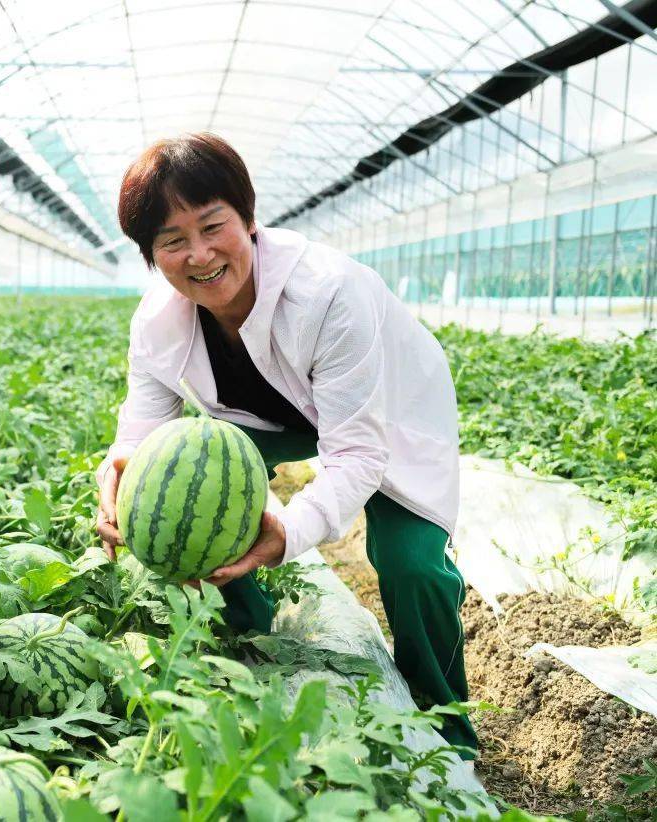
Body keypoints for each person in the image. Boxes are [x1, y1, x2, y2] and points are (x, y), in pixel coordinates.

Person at [94, 132, 477, 756]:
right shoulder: (157, 321)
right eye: (172, 241)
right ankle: (250, 644)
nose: (199, 255)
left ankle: (449, 729)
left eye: (212, 225)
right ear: (151, 255)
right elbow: (140, 432)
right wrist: (119, 478)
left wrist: (290, 531)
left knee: (413, 566)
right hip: (273, 417)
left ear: (249, 220)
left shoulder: (329, 293)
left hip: (385, 414)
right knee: (200, 491)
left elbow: (356, 453)